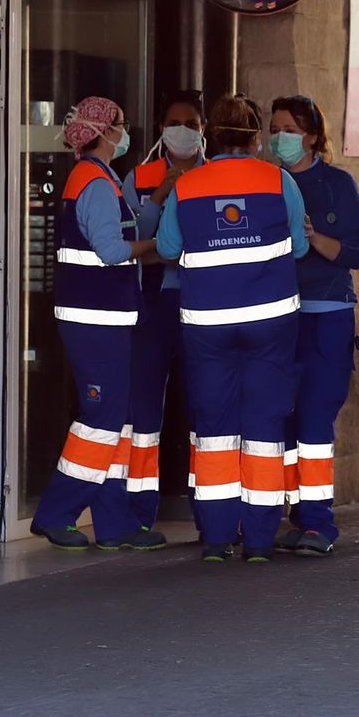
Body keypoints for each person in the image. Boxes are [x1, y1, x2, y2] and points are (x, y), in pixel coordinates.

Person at [155, 95, 308, 563]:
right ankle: (259, 541)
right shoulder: (278, 180)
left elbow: (166, 247)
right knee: (264, 429)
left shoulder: (188, 186)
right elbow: (299, 247)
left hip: (208, 328)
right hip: (270, 325)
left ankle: (218, 538)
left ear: (210, 138)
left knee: (216, 430)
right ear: (256, 137)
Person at [31, 96, 164, 551]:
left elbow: (120, 230)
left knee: (117, 421)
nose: (127, 133)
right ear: (105, 132)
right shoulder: (93, 183)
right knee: (102, 421)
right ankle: (56, 514)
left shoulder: (100, 179)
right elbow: (111, 251)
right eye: (123, 125)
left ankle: (114, 523)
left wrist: (157, 201)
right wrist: (158, 247)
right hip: (95, 320)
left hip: (105, 318)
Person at [268, 95, 359, 555]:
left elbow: (355, 253)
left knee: (314, 419)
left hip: (326, 314)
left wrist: (311, 237)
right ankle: (295, 513)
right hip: (280, 315)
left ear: (310, 136)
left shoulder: (337, 185)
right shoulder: (267, 184)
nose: (278, 138)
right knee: (282, 418)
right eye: (273, 129)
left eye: (287, 129)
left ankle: (318, 522)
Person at [120, 90, 206, 531]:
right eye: (175, 122)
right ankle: (137, 514)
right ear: (159, 128)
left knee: (204, 410)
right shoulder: (141, 175)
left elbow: (207, 242)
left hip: (201, 303)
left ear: (204, 129)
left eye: (192, 123)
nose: (183, 131)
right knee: (143, 413)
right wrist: (159, 194)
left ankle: (209, 510)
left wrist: (160, 251)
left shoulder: (216, 177)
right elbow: (131, 238)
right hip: (152, 303)